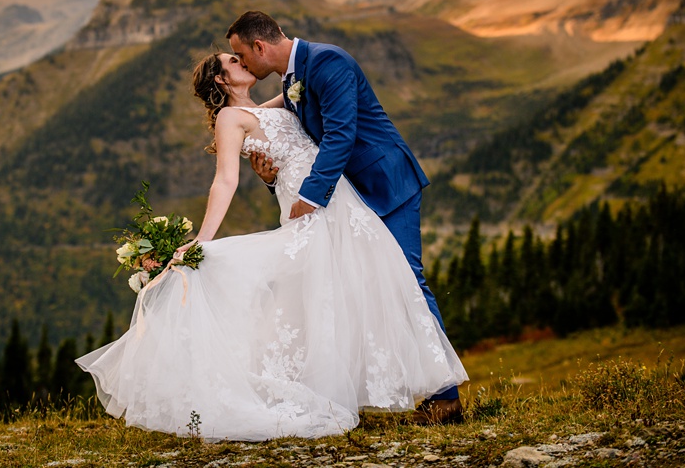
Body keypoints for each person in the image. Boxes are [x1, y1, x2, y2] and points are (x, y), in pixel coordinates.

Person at [76, 52, 467, 442]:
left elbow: (308, 102)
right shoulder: (230, 119)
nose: (241, 59)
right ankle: (392, 393)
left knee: (373, 285)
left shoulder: (274, 102)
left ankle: (435, 393)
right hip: (307, 210)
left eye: (240, 53)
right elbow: (225, 180)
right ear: (221, 81)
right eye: (232, 60)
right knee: (324, 294)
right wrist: (203, 239)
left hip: (341, 203)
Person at [227, 10, 463, 423]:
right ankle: (379, 388)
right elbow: (286, 134)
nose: (242, 64)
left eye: (241, 55)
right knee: (360, 289)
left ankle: (445, 398)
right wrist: (242, 136)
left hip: (385, 184)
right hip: (348, 198)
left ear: (259, 47)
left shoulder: (327, 61)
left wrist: (311, 197)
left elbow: (340, 134)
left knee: (406, 279)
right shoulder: (290, 78)